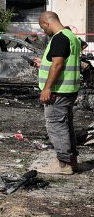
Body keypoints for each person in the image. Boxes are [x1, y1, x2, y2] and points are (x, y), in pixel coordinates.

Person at [31, 11, 82, 174]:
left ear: (47, 23)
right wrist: (43, 63)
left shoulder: (59, 38)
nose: (43, 31)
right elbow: (61, 62)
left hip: (58, 92)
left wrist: (47, 88)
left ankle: (63, 164)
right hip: (69, 90)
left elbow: (58, 65)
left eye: (42, 27)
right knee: (66, 125)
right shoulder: (71, 37)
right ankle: (71, 160)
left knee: (56, 125)